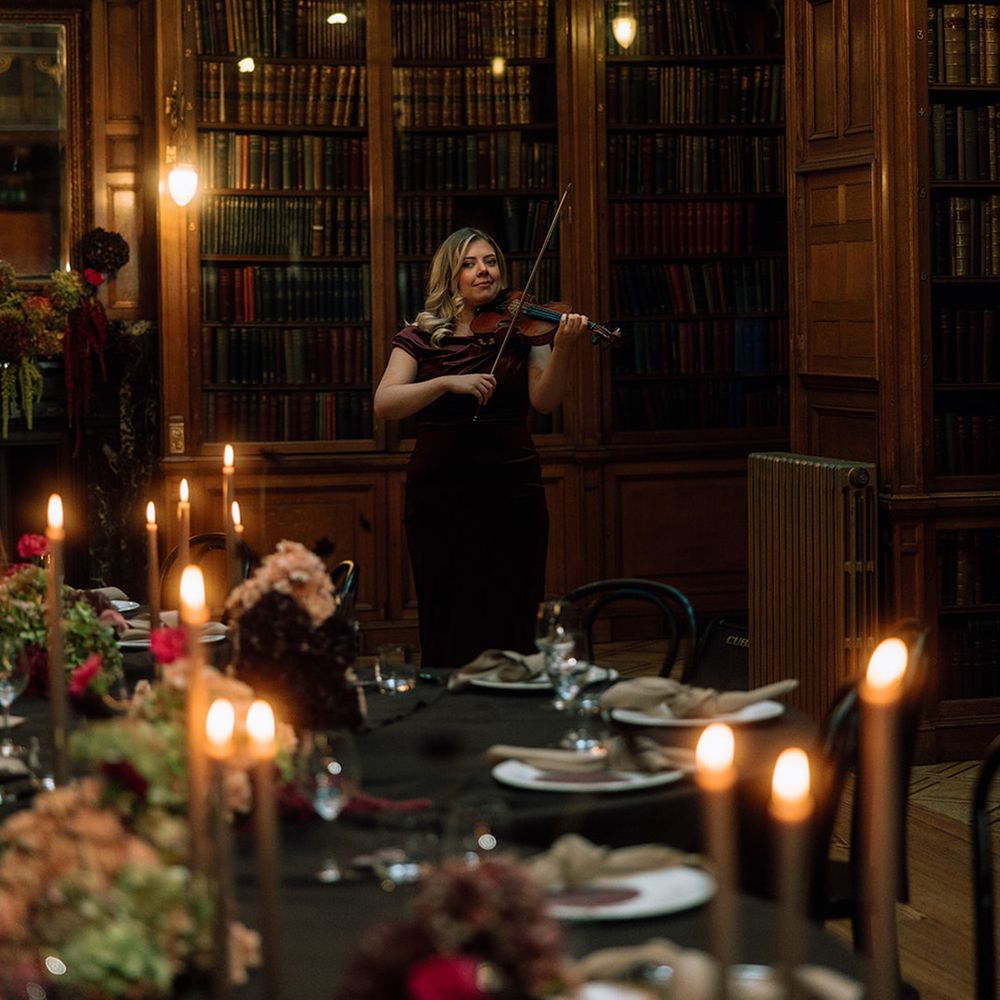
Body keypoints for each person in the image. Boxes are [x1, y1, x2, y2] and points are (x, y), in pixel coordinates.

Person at [374, 227, 589, 670]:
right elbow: (385, 403)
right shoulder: (421, 334)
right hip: (441, 492)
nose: (482, 270)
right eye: (469, 263)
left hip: (512, 486)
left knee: (513, 603)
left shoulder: (522, 329)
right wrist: (446, 382)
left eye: (489, 261)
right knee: (448, 604)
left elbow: (545, 401)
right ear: (451, 275)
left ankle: (510, 711)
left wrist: (563, 349)